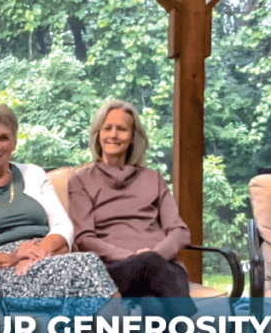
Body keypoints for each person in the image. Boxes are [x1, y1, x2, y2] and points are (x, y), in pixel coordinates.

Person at [0, 104, 120, 333]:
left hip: (46, 258)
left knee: (87, 272)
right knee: (89, 266)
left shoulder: (35, 174)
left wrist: (41, 251)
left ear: (15, 143)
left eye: (4, 138)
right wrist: (11, 257)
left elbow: (63, 225)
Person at [68, 100, 196, 321]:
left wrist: (154, 256)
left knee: (154, 305)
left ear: (133, 137)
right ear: (98, 134)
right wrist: (136, 258)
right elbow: (85, 238)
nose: (113, 135)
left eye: (122, 129)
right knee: (152, 267)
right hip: (116, 270)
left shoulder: (153, 179)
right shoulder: (81, 181)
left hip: (162, 264)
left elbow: (179, 231)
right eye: (107, 128)